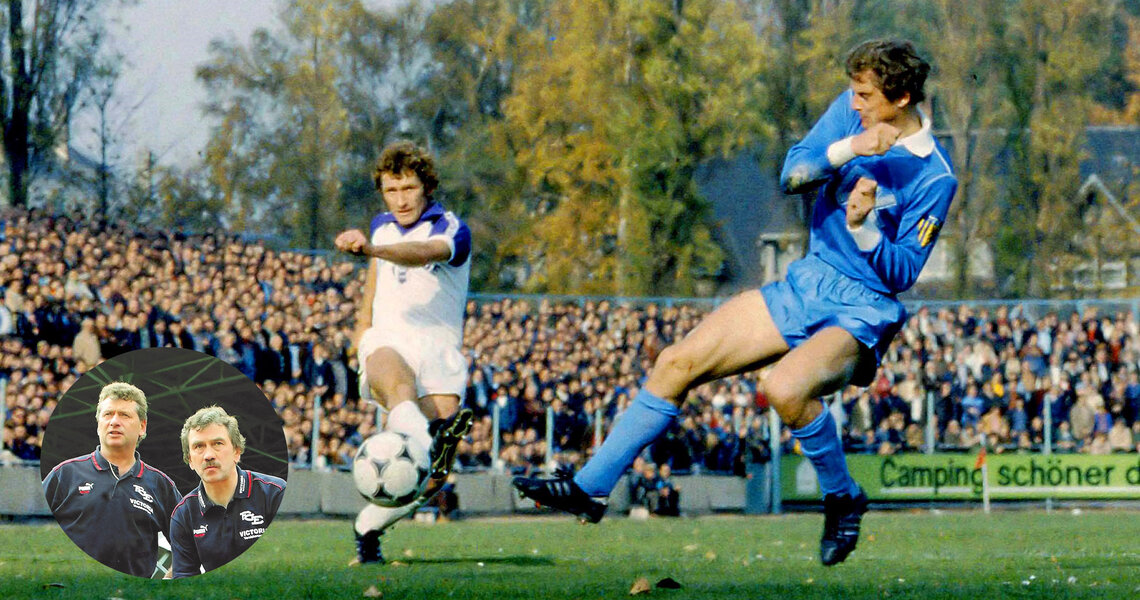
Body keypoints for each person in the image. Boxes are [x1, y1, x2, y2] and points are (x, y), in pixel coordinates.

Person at [513, 38, 956, 567]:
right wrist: (850, 148)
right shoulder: (849, 115)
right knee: (676, 362)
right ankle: (590, 488)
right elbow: (794, 173)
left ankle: (842, 497)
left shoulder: (935, 175)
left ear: (901, 97)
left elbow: (903, 272)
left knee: (784, 388)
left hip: (863, 308)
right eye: (853, 92)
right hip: (806, 284)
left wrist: (862, 229)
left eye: (866, 95)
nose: (854, 102)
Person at [333, 140, 474, 565]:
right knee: (398, 386)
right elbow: (376, 277)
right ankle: (433, 440)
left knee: (429, 480)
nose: (401, 200)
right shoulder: (382, 226)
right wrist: (361, 328)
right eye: (391, 191)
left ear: (426, 186)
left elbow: (421, 254)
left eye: (409, 188)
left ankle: (367, 527)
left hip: (439, 350)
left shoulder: (451, 229)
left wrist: (371, 249)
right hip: (388, 339)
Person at [42, 382, 181, 577]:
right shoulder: (64, 475)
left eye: (124, 415)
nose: (114, 421)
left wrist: (166, 582)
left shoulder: (161, 485)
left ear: (142, 427)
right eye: (108, 414)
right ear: (98, 424)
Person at [168, 406, 286, 577]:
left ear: (237, 452)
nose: (208, 455)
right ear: (190, 460)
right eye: (199, 446)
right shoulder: (183, 514)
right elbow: (185, 580)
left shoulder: (274, 493)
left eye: (217, 444)